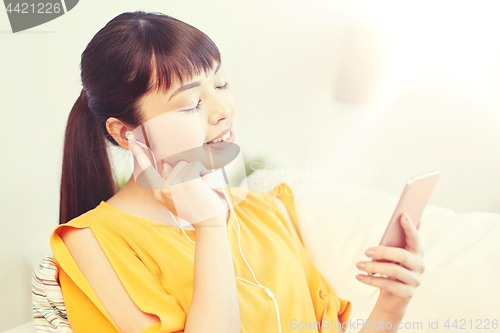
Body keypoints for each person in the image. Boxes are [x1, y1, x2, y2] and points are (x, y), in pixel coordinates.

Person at [50, 10, 425, 333]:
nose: (222, 110)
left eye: (221, 84)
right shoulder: (90, 243)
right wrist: (210, 227)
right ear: (125, 131)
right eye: (191, 103)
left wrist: (390, 307)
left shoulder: (267, 210)